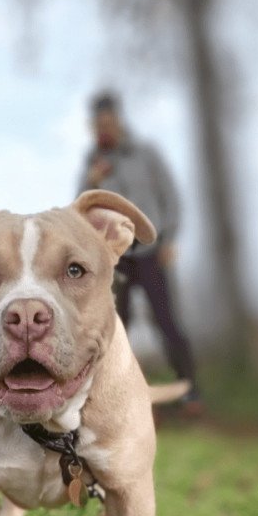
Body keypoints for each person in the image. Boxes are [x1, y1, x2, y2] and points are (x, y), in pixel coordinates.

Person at [78, 91, 201, 412]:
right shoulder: (93, 163)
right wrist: (92, 181)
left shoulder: (146, 155)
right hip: (116, 259)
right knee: (118, 325)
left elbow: (169, 196)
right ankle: (116, 398)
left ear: (118, 121)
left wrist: (169, 238)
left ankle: (191, 391)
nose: (104, 128)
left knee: (166, 320)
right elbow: (79, 211)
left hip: (151, 250)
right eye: (98, 124)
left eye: (109, 121)